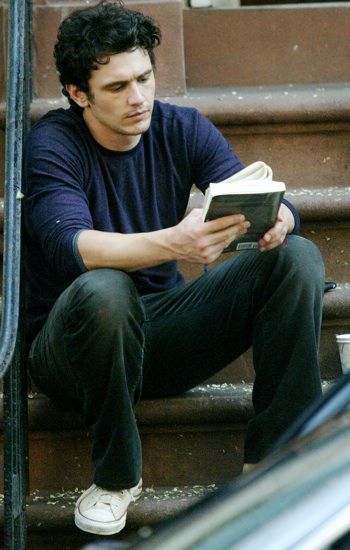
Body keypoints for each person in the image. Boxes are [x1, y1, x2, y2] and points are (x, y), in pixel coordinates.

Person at [22, 0, 325, 537]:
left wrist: (280, 216)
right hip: (73, 351)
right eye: (117, 87)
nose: (138, 98)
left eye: (144, 78)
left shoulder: (181, 127)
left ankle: (276, 460)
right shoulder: (52, 144)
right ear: (77, 94)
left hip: (161, 336)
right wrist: (175, 243)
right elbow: (72, 245)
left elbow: (247, 190)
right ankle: (116, 477)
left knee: (296, 256)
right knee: (103, 289)